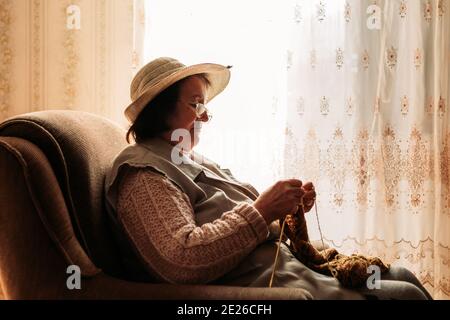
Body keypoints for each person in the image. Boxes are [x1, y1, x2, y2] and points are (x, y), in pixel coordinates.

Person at [104, 57, 432, 300]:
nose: (206, 115)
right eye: (196, 103)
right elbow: (180, 259)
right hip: (265, 289)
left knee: (403, 275)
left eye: (206, 105)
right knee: (405, 295)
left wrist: (287, 209)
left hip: (291, 272)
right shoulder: (144, 172)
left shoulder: (191, 161)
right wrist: (263, 210)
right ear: (160, 109)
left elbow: (257, 225)